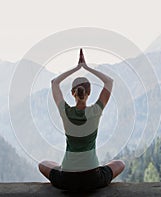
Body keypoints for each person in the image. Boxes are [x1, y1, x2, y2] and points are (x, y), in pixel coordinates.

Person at [38, 49, 125, 191]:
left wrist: (76, 68)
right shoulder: (95, 111)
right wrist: (87, 67)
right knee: (120, 163)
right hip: (92, 178)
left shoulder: (65, 111)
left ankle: (64, 166)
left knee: (43, 164)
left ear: (73, 93)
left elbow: (54, 83)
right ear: (89, 93)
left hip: (67, 178)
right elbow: (109, 82)